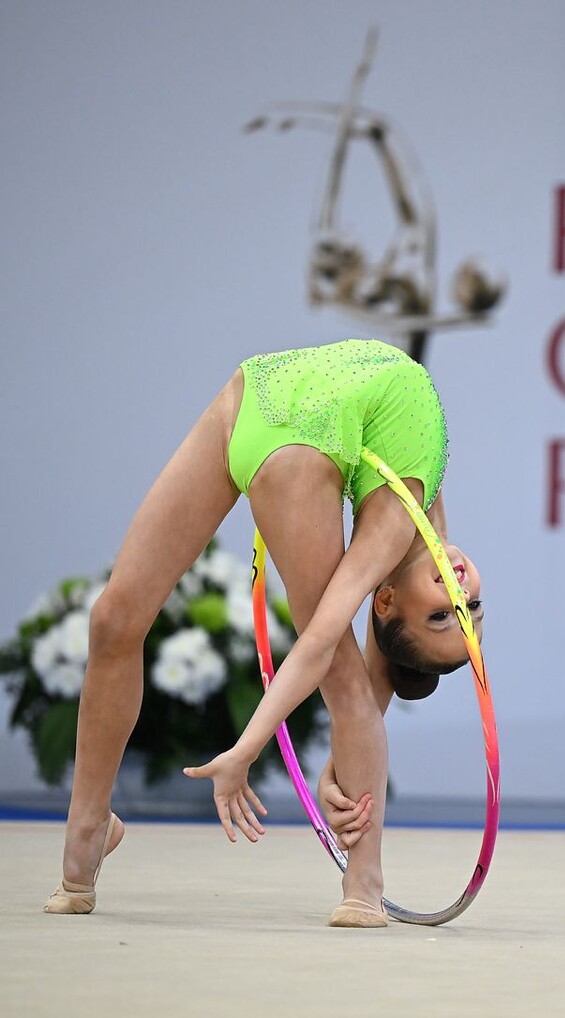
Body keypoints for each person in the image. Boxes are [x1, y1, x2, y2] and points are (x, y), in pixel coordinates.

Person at [44, 338, 485, 928]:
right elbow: (384, 656)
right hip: (248, 397)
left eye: (443, 614)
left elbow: (325, 649)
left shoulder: (389, 530)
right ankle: (92, 826)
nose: (461, 594)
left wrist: (244, 751)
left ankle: (365, 884)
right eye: (472, 609)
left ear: (383, 601)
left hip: (296, 457)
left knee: (338, 673)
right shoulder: (429, 523)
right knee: (112, 619)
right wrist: (336, 768)